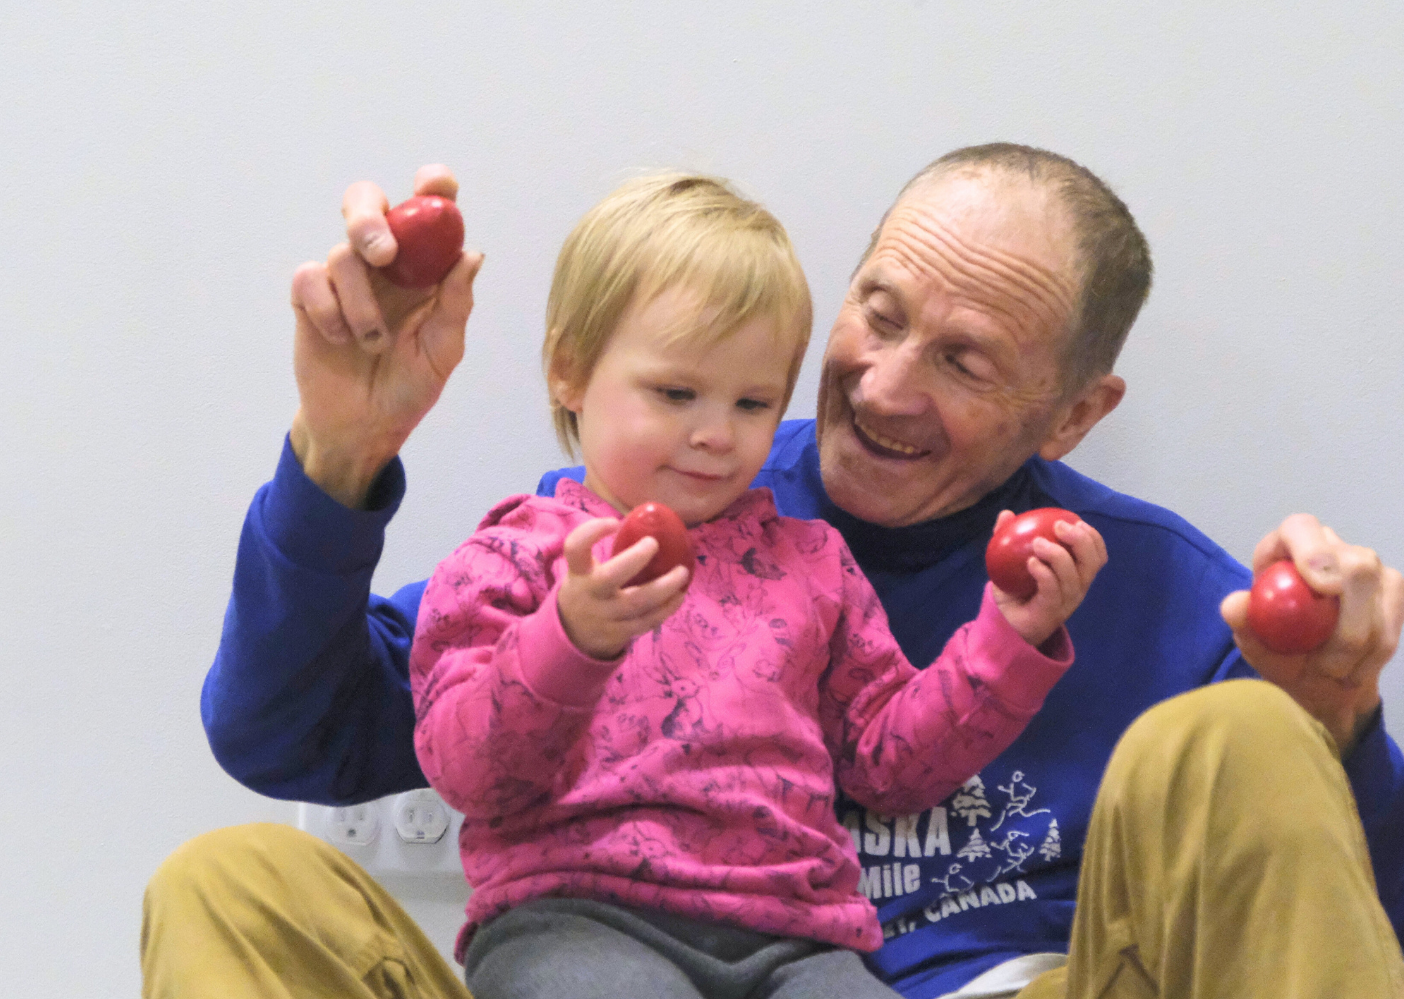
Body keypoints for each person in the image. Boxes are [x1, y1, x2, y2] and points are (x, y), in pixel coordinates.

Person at [142, 146, 1404, 999]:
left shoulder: (1157, 595)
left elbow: (1355, 930)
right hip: (594, 942)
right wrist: (342, 452)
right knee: (231, 887)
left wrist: (1339, 727)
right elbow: (283, 727)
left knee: (1247, 727)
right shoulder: (616, 536)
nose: (886, 384)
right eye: (882, 313)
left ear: (1074, 414)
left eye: (965, 361)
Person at [408, 173, 1105, 999]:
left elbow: (891, 765)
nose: (714, 434)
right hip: (577, 920)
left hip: (797, 941)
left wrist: (1008, 641)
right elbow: (467, 772)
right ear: (570, 370)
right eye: (675, 393)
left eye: (752, 402)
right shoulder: (508, 559)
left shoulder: (813, 564)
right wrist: (572, 636)